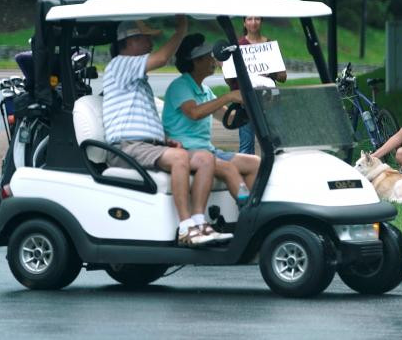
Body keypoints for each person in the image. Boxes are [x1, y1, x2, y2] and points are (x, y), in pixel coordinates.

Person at [103, 17, 230, 247]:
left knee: (205, 158)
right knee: (181, 157)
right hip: (126, 148)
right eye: (147, 38)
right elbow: (162, 58)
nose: (152, 43)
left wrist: (164, 140)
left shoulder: (137, 80)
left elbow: (137, 120)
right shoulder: (120, 64)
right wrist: (181, 30)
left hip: (145, 146)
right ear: (129, 41)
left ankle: (200, 222)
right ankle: (185, 228)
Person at [164, 33, 260, 202]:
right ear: (196, 61)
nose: (214, 61)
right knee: (229, 169)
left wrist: (252, 109)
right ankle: (249, 212)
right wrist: (228, 97)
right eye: (208, 57)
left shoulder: (205, 91)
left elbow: (228, 119)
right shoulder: (180, 86)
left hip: (207, 150)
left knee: (255, 163)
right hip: (187, 151)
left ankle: (253, 210)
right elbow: (194, 113)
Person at [226, 16, 287, 154]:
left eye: (257, 19)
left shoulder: (269, 45)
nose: (253, 22)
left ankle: (276, 171)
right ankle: (248, 172)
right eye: (249, 19)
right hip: (247, 100)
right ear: (244, 22)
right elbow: (230, 80)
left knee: (277, 141)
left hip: (270, 99)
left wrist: (269, 72)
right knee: (246, 144)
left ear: (262, 21)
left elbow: (283, 76)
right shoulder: (238, 46)